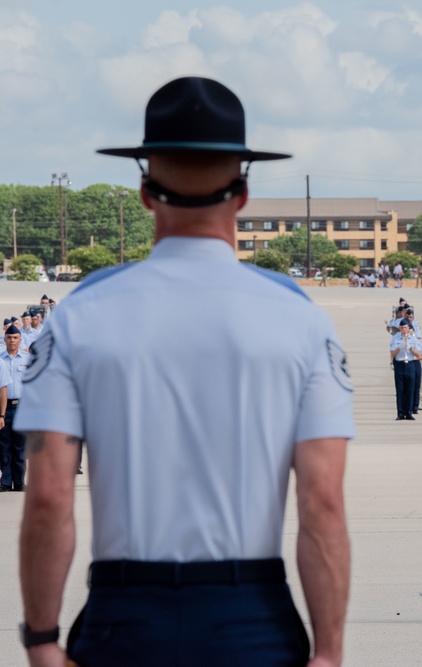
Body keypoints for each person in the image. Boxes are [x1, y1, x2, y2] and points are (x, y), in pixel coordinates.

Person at [17, 76, 354, 666]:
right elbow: (322, 501)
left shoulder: (80, 317)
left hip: (126, 618)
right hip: (251, 616)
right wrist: (327, 652)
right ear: (243, 193)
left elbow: (47, 497)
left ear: (146, 191)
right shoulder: (301, 322)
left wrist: (42, 642)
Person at [0, 326, 28, 492]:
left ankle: (19, 482)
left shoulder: (28, 358)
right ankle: (5, 481)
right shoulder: (0, 359)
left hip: (22, 407)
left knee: (20, 446)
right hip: (3, 407)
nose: (12, 341)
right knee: (3, 446)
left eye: (15, 338)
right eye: (9, 337)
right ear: (4, 340)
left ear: (20, 339)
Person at [390, 319, 422, 420]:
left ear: (408, 328)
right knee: (400, 390)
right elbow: (392, 354)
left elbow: (418, 354)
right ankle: (400, 413)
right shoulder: (395, 339)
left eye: (405, 328)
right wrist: (399, 348)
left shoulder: (414, 340)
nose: (403, 330)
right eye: (401, 328)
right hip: (400, 364)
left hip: (410, 364)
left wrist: (410, 348)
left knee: (410, 389)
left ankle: (409, 412)